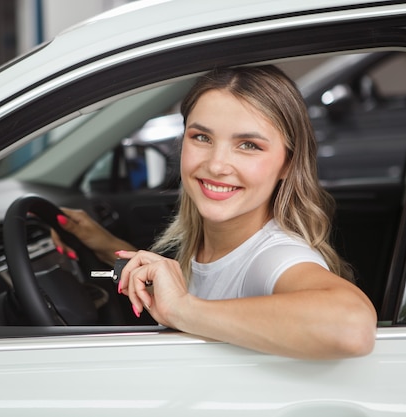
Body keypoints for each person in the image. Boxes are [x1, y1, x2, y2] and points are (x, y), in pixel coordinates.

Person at [52, 65, 377, 359]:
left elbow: (351, 326)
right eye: (202, 137)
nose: (216, 165)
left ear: (287, 164)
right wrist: (104, 245)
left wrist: (182, 309)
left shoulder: (275, 257)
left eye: (249, 145)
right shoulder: (211, 242)